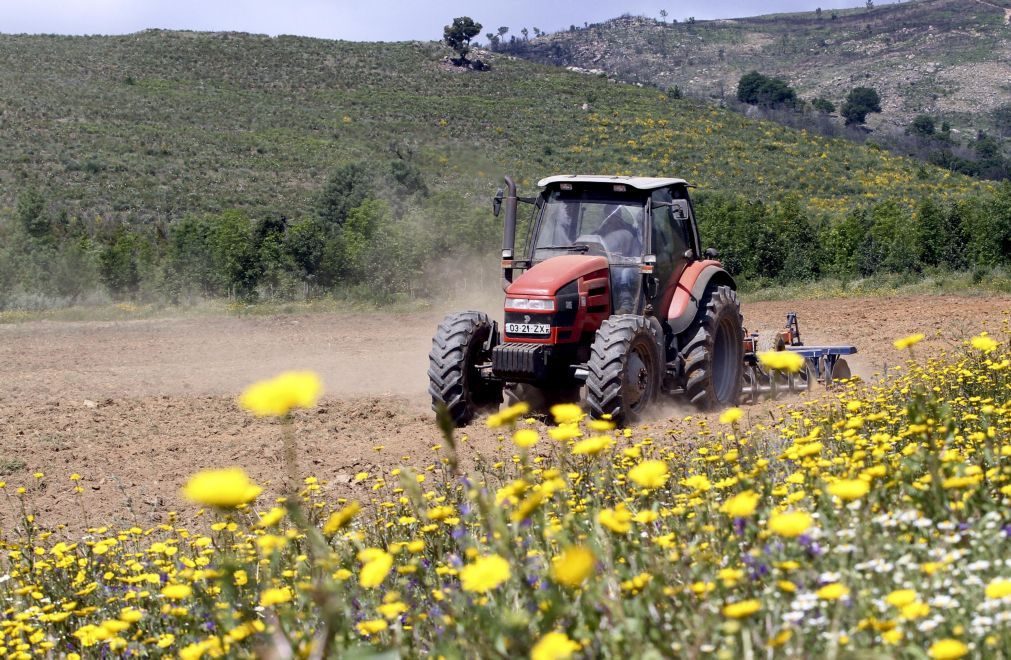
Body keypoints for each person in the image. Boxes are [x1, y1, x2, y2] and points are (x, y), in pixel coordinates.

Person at [597, 205, 643, 314]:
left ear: (620, 215)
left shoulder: (631, 231)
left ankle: (626, 305)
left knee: (624, 273)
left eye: (615, 215)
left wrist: (626, 259)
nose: (612, 218)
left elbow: (637, 254)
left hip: (628, 265)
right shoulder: (600, 232)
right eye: (609, 215)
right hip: (605, 263)